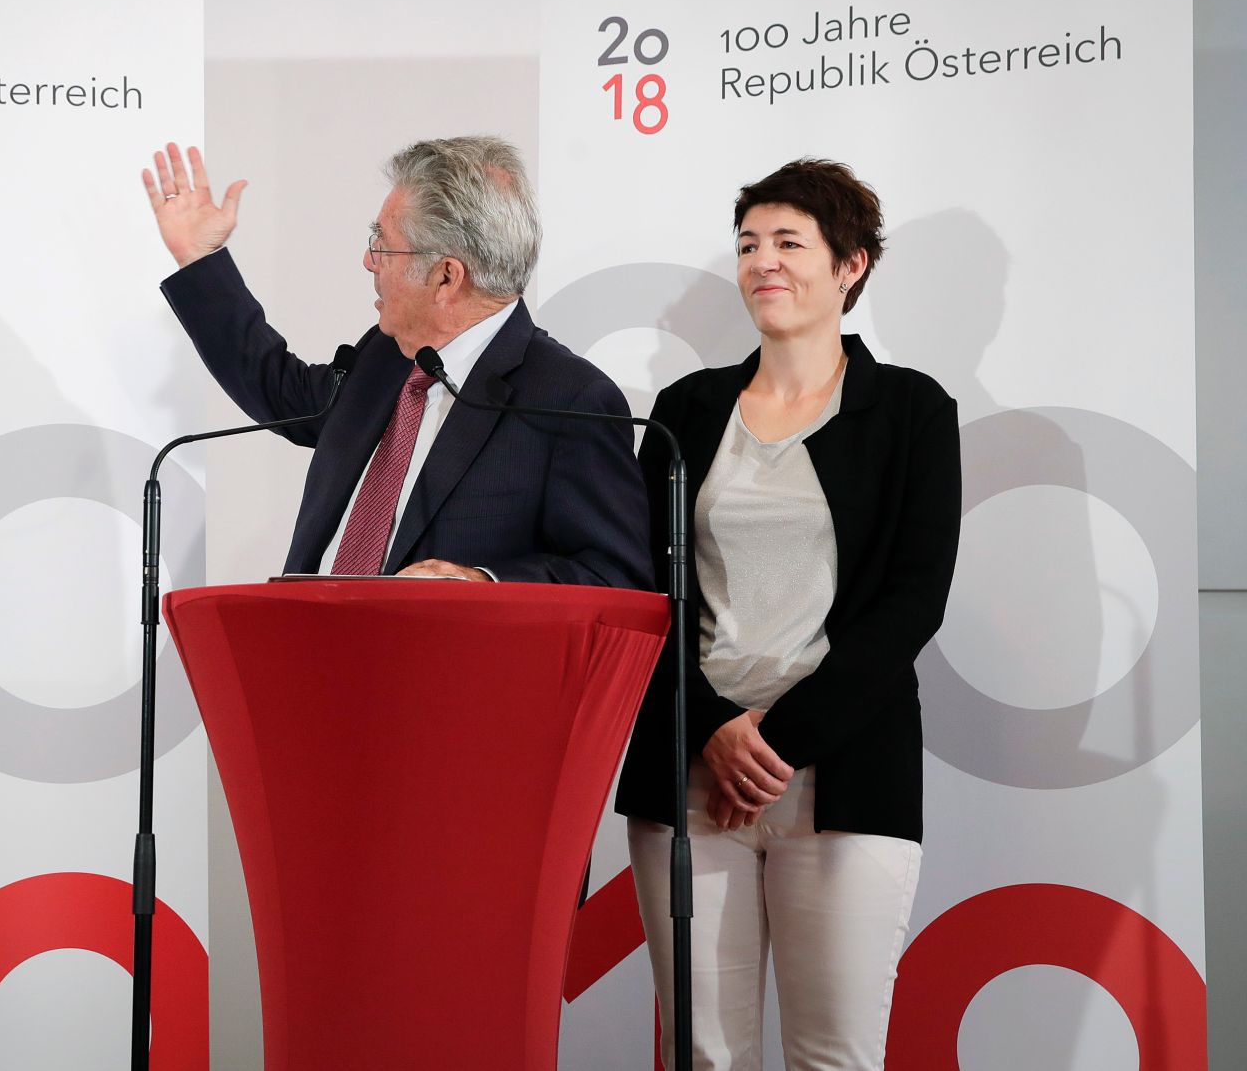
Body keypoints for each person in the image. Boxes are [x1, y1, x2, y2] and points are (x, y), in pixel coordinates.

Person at [614, 159, 961, 1069]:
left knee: (832, 1056)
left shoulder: (912, 410)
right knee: (701, 1054)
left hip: (844, 775)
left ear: (851, 265)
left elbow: (914, 598)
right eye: (748, 244)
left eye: (789, 242)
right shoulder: (686, 411)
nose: (762, 262)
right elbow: (646, 594)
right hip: (689, 772)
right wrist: (717, 730)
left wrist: (777, 740)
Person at [140, 136, 651, 589]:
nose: (369, 261)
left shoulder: (571, 400)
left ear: (446, 276)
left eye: (382, 245)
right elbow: (280, 391)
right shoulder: (385, 357)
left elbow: (615, 575)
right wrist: (201, 261)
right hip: (313, 655)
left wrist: (485, 582)